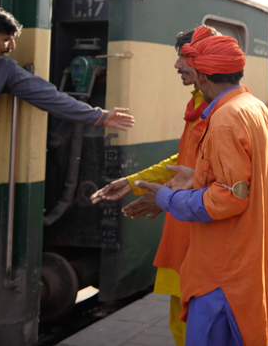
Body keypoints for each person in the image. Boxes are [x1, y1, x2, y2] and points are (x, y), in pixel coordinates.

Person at [0, 3, 135, 330]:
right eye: (6, 39)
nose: (11, 46)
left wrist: (99, 116)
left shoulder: (4, 71)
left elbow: (48, 96)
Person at [136, 28, 268, 346]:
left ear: (202, 75)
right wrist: (198, 176)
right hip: (253, 262)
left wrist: (167, 198)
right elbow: (245, 179)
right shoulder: (254, 106)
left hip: (223, 273)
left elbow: (229, 199)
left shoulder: (225, 119)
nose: (180, 67)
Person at [89, 28, 213, 345]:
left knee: (195, 323)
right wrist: (131, 182)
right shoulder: (200, 102)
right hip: (184, 227)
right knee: (181, 319)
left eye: (184, 58)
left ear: (205, 61)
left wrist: (164, 197)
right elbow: (183, 158)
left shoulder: (221, 110)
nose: (177, 65)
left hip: (198, 233)